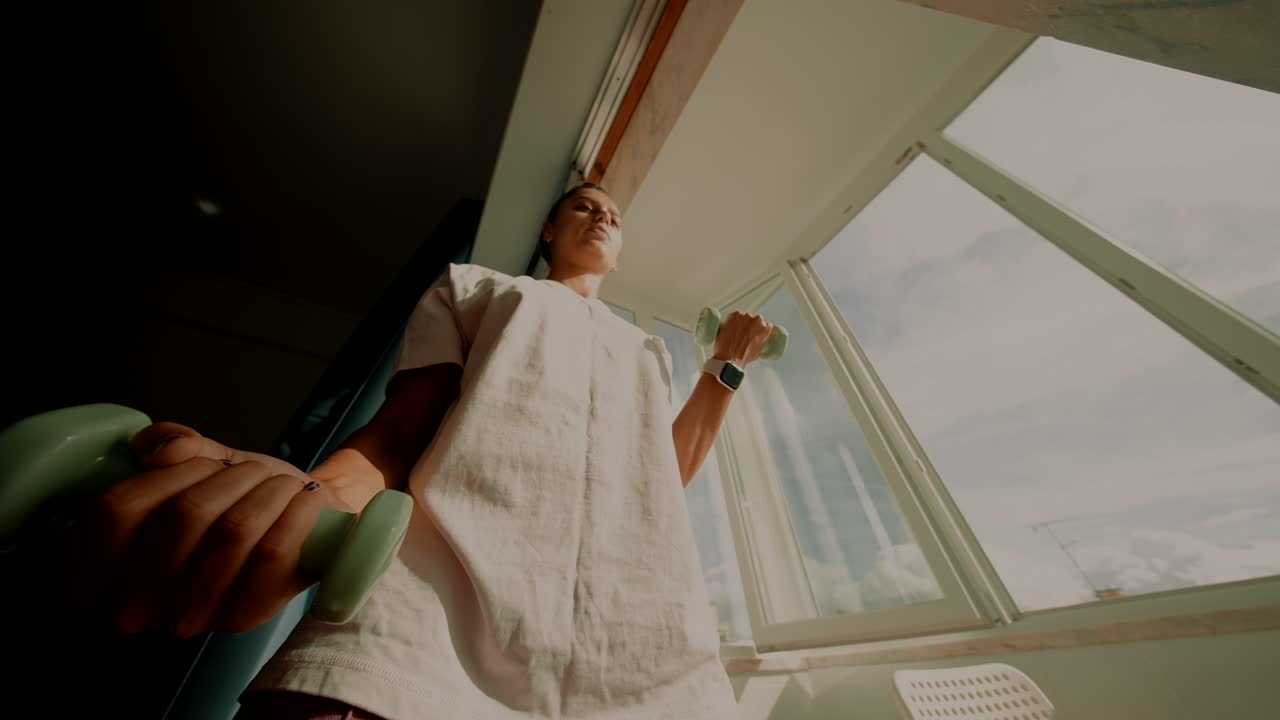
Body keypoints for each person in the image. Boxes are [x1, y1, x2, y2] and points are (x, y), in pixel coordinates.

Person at [71, 183, 775, 719]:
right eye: (583, 206)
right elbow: (400, 434)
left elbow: (660, 483)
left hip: (647, 665)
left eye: (614, 216)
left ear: (619, 252)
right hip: (413, 640)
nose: (601, 217)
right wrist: (308, 500)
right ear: (549, 229)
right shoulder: (475, 289)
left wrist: (725, 369)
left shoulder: (647, 351)